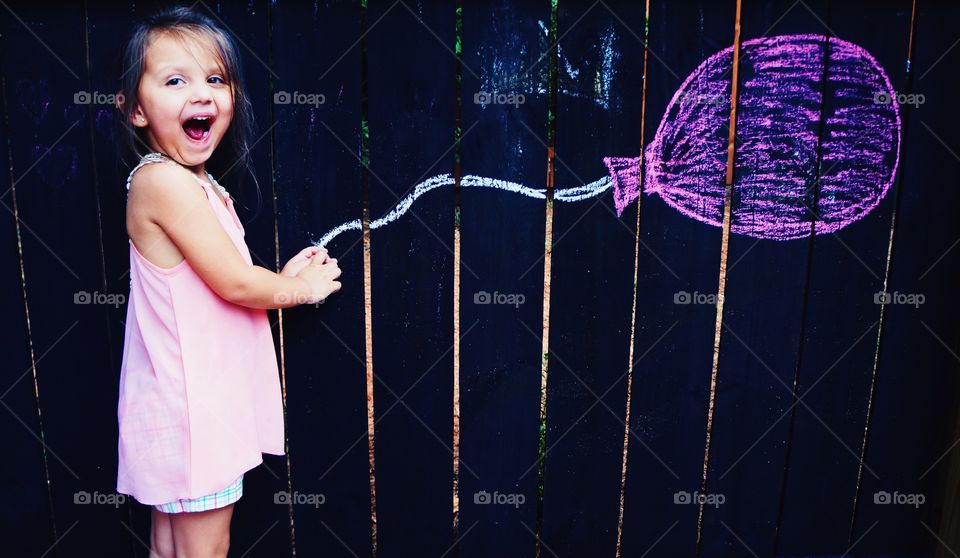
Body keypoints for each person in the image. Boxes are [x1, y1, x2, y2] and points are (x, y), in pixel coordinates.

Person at [114, 6, 340, 557]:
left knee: (172, 551)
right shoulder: (162, 181)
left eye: (216, 79)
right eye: (175, 80)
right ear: (135, 109)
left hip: (191, 410)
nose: (202, 94)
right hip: (196, 417)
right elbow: (234, 286)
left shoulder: (196, 181)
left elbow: (220, 275)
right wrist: (301, 289)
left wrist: (276, 277)